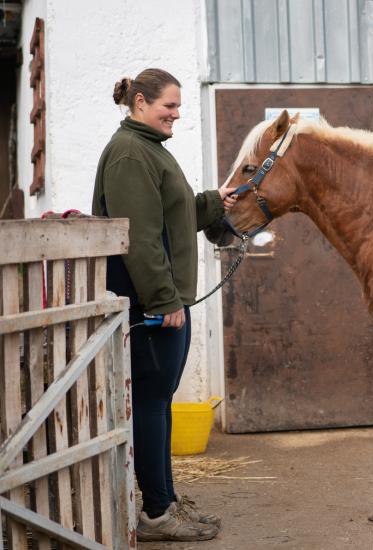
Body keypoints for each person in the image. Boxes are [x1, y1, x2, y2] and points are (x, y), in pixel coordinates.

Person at [91, 68, 237, 542]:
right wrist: (162, 299)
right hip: (148, 302)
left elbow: (171, 216)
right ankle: (156, 513)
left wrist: (216, 203)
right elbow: (140, 236)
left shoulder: (150, 150)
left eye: (178, 106)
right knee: (152, 405)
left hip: (165, 299)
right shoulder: (130, 154)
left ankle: (167, 499)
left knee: (159, 403)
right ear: (139, 102)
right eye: (169, 106)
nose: (177, 114)